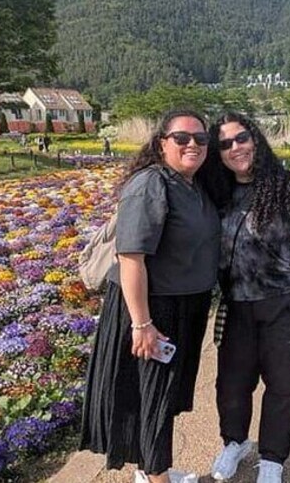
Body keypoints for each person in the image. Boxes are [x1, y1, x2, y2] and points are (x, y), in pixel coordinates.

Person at [80, 110, 220, 483]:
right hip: (153, 308)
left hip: (185, 305)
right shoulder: (150, 184)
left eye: (201, 139)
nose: (192, 145)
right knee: (153, 397)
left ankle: (150, 470)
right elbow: (131, 258)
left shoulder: (192, 184)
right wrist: (142, 323)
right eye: (182, 138)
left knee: (161, 396)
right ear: (161, 144)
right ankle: (157, 478)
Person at [199, 112, 290, 483]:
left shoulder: (288, 189)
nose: (235, 148)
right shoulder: (218, 192)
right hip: (237, 304)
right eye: (225, 144)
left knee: (284, 382)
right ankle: (235, 442)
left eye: (241, 138)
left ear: (255, 139)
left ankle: (273, 457)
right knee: (232, 382)